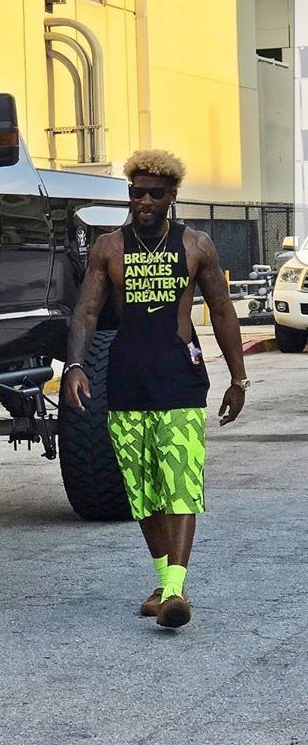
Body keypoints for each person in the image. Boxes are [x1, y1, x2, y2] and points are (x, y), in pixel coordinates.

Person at [61, 149, 248, 628]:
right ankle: (166, 582)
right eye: (136, 192)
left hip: (180, 380)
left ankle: (175, 591)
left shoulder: (196, 246)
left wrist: (238, 377)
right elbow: (85, 312)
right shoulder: (108, 247)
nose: (144, 201)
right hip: (126, 380)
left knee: (180, 484)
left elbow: (223, 311)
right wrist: (75, 367)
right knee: (143, 492)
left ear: (172, 197)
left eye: (155, 194)